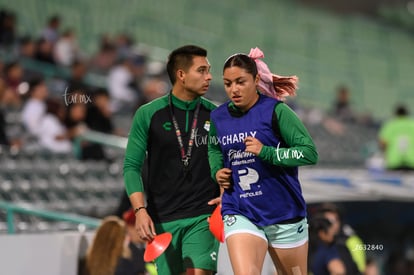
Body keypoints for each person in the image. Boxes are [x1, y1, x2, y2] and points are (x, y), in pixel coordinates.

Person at [208, 47, 318, 275]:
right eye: (228, 84)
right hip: (240, 210)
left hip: (283, 213)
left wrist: (266, 152)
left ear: (256, 79)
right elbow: (214, 149)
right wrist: (217, 171)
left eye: (240, 82)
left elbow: (309, 153)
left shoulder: (276, 111)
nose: (234, 90)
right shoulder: (218, 117)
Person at [123, 45, 220, 275]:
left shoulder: (216, 115)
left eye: (209, 70)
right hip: (162, 219)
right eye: (202, 70)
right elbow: (131, 167)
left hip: (202, 215)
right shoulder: (148, 114)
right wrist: (139, 210)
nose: (209, 77)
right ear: (181, 75)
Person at [314, 202, 365, 274]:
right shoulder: (314, 245)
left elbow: (359, 269)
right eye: (326, 221)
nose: (331, 226)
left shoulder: (351, 241)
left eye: (334, 220)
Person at [378, 104, 414, 171]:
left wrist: (384, 155)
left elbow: (383, 143)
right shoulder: (413, 124)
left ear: (395, 114)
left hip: (394, 161)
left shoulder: (390, 125)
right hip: (412, 162)